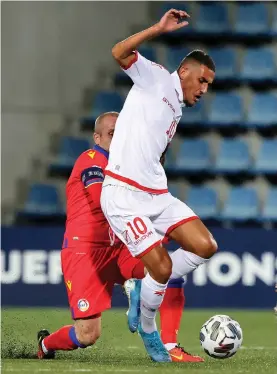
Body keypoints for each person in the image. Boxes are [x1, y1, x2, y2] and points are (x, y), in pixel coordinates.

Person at [37, 111, 203, 363]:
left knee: (166, 270)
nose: (118, 138)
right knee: (88, 334)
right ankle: (47, 344)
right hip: (86, 253)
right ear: (97, 137)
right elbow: (101, 200)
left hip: (119, 247)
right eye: (112, 133)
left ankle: (170, 346)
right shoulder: (91, 159)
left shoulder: (127, 167)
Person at [100, 8, 217, 362]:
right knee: (163, 267)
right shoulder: (156, 78)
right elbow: (118, 52)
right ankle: (150, 332)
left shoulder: (176, 108)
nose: (205, 89)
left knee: (205, 245)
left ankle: (143, 289)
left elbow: (158, 150)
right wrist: (158, 28)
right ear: (184, 71)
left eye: (209, 85)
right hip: (122, 193)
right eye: (202, 80)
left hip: (156, 193)